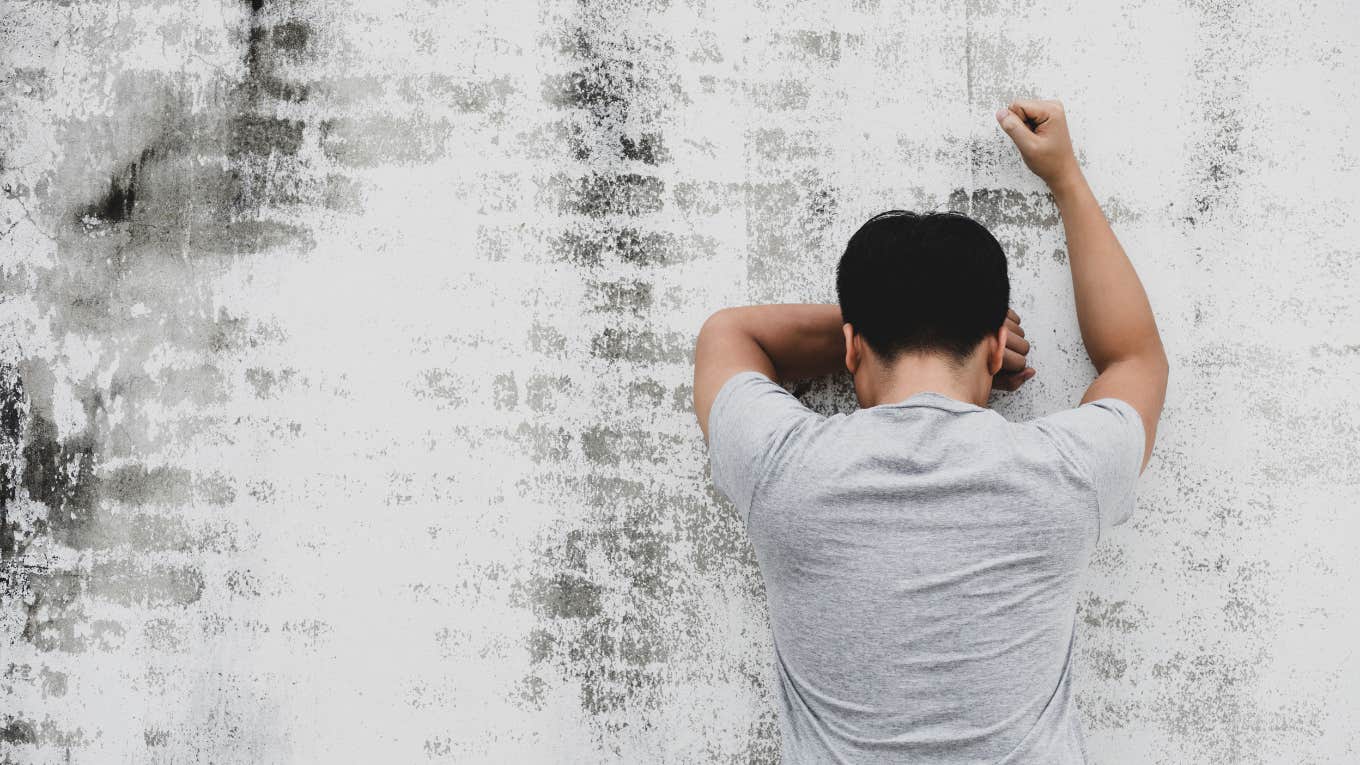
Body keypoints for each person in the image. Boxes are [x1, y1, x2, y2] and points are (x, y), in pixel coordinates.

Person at [692, 99, 1169, 763]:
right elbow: (1134, 356)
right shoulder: (1066, 473)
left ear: (852, 346)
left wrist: (881, 315)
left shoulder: (782, 468)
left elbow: (728, 335)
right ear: (994, 350)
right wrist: (1064, 177)